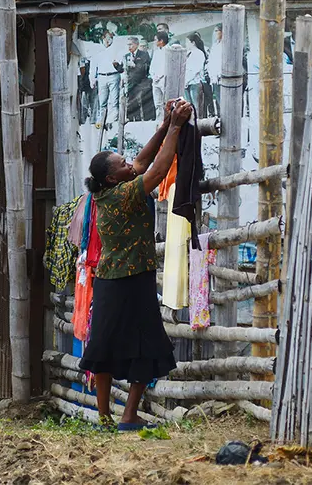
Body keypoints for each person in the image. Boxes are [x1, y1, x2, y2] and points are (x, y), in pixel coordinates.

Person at [79, 99, 193, 431]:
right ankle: (107, 417)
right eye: (122, 164)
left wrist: (163, 125)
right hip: (120, 282)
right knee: (106, 347)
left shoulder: (116, 186)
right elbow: (156, 169)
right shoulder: (121, 195)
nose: (130, 163)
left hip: (130, 279)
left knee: (138, 346)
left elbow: (143, 161)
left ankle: (126, 416)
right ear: (113, 179)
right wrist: (174, 127)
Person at [92, 31, 125, 129]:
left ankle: (112, 121)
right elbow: (94, 65)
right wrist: (92, 78)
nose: (108, 41)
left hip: (113, 76)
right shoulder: (98, 50)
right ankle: (101, 121)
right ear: (103, 38)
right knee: (102, 101)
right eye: (106, 38)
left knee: (114, 101)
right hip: (101, 76)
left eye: (110, 39)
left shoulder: (116, 49)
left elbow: (120, 65)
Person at [123, 37, 154, 122]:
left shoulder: (143, 54)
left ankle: (147, 118)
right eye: (128, 45)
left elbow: (144, 68)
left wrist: (134, 65)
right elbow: (123, 70)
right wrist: (116, 66)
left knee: (144, 101)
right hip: (131, 82)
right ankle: (132, 118)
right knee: (131, 101)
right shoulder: (126, 56)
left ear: (136, 44)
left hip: (142, 82)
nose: (129, 47)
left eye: (130, 44)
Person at [184, 32, 207, 114]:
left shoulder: (199, 53)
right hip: (186, 83)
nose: (186, 44)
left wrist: (186, 80)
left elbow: (195, 70)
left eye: (187, 42)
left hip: (195, 83)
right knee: (188, 107)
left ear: (193, 43)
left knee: (196, 107)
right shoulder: (187, 53)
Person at [149, 32, 169, 118]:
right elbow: (152, 67)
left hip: (164, 80)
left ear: (161, 41)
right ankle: (159, 121)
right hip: (155, 81)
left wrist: (160, 76)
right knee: (158, 103)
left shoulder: (169, 51)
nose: (154, 42)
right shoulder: (156, 52)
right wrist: (154, 76)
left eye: (155, 40)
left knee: (167, 102)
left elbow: (168, 66)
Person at [208, 26, 223, 117]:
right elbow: (211, 61)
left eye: (217, 31)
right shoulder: (214, 45)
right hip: (214, 78)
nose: (215, 33)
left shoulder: (226, 44)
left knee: (224, 101)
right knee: (218, 100)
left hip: (223, 76)